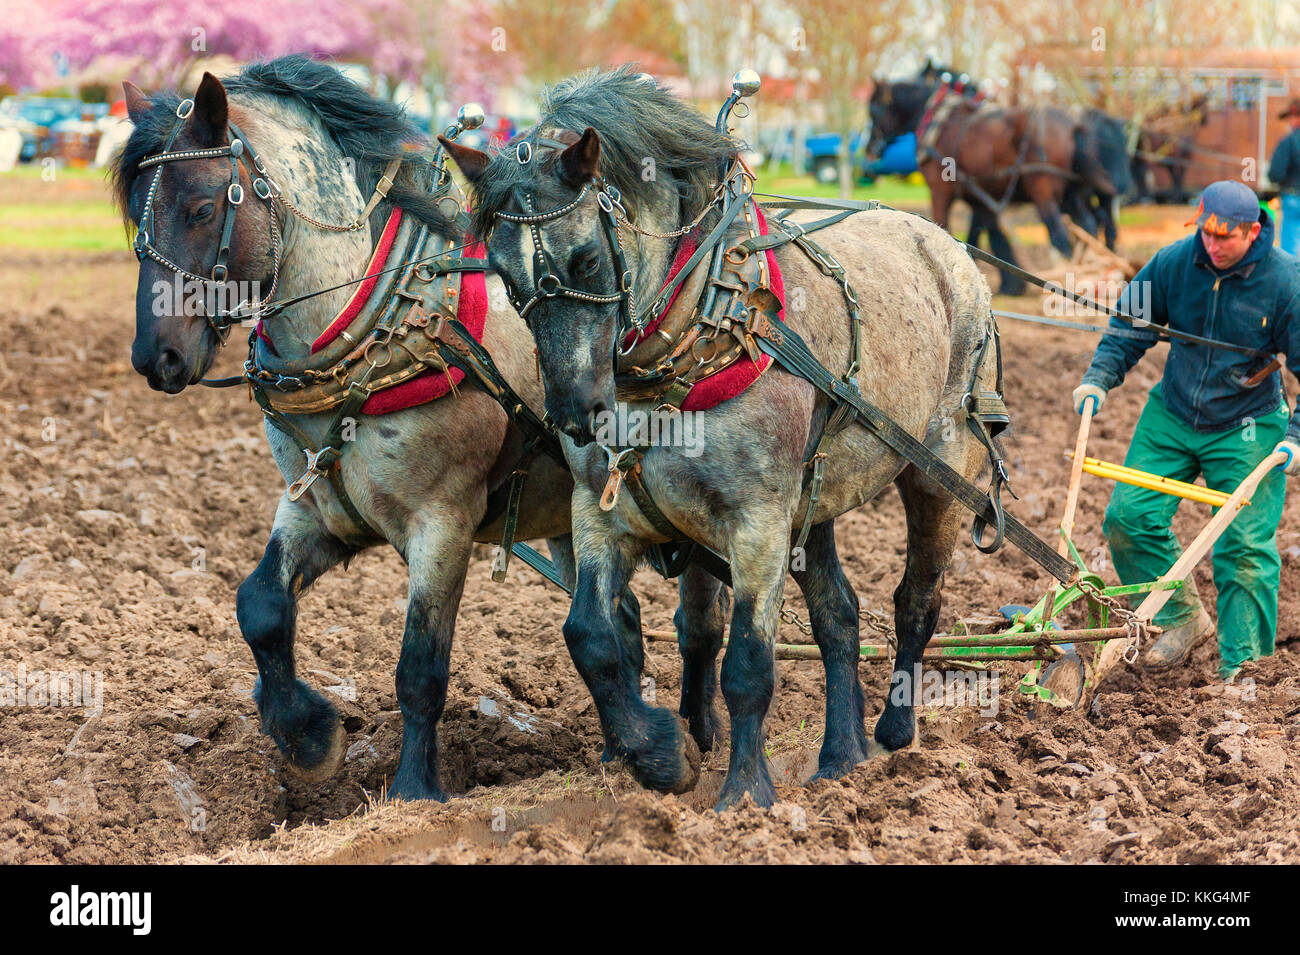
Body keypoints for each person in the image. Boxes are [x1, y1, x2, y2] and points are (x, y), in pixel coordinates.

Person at [1072, 179, 1300, 679]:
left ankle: (1244, 670)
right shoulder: (1176, 261)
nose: (1212, 246)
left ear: (1253, 230)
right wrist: (1098, 380)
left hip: (1249, 423)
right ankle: (1181, 618)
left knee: (1242, 548)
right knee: (1127, 518)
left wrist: (1294, 437)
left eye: (1225, 238)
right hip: (1172, 413)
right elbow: (1129, 326)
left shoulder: (1286, 281)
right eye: (1206, 234)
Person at [1268, 98, 1300, 256]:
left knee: (1289, 251)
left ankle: (1292, 280)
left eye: (1290, 118)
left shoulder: (1288, 142)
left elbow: (1275, 174)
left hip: (1293, 197)